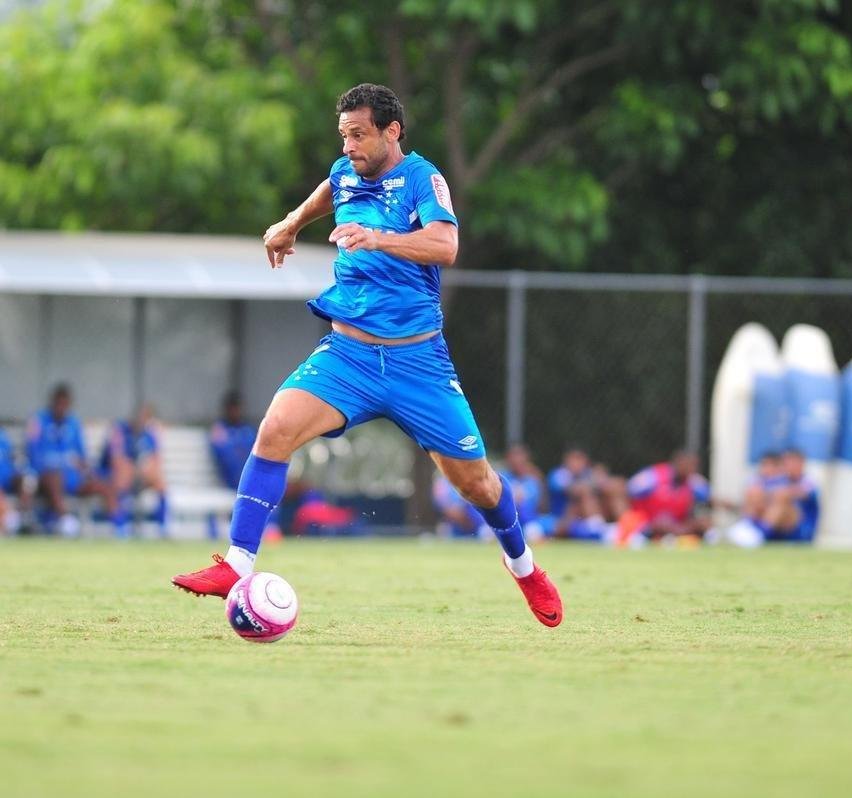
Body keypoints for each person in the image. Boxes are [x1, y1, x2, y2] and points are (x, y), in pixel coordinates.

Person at [172, 83, 562, 627]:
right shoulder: (345, 171)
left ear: (391, 131)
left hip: (417, 363)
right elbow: (330, 189)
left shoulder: (423, 179)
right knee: (275, 430)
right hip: (348, 358)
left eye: (358, 135)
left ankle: (523, 566)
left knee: (477, 484)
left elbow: (445, 245)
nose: (349, 146)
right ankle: (237, 565)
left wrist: (378, 238)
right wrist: (290, 224)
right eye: (344, 135)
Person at [26, 384, 120, 536]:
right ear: (52, 402)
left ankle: (118, 527)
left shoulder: (74, 423)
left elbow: (82, 457)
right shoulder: (39, 421)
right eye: (59, 404)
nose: (61, 408)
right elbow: (34, 455)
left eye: (65, 404)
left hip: (72, 478)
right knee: (54, 478)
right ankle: (66, 520)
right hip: (48, 477)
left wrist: (86, 470)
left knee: (105, 484)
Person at [96, 403, 169, 537]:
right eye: (141, 416)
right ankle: (120, 526)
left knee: (159, 482)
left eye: (147, 418)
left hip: (138, 476)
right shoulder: (120, 431)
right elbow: (116, 461)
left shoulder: (149, 434)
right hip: (112, 475)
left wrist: (144, 469)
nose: (142, 420)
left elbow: (156, 460)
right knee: (122, 476)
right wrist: (134, 469)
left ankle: (163, 526)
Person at [624, 450, 711, 545]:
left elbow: (710, 499)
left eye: (695, 466)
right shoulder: (653, 476)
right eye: (689, 465)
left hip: (677, 524)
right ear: (678, 462)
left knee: (703, 522)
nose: (692, 469)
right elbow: (628, 492)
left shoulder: (694, 482)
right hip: (650, 523)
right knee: (662, 523)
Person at [209, 391, 257, 491]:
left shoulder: (248, 430)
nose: (236, 412)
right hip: (228, 483)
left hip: (248, 479)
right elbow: (224, 458)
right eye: (233, 408)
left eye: (238, 408)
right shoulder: (219, 430)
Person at [0, 426, 34, 534]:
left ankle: (24, 517)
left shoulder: (2, 436)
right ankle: (9, 522)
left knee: (28, 479)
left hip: (6, 478)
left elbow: (12, 459)